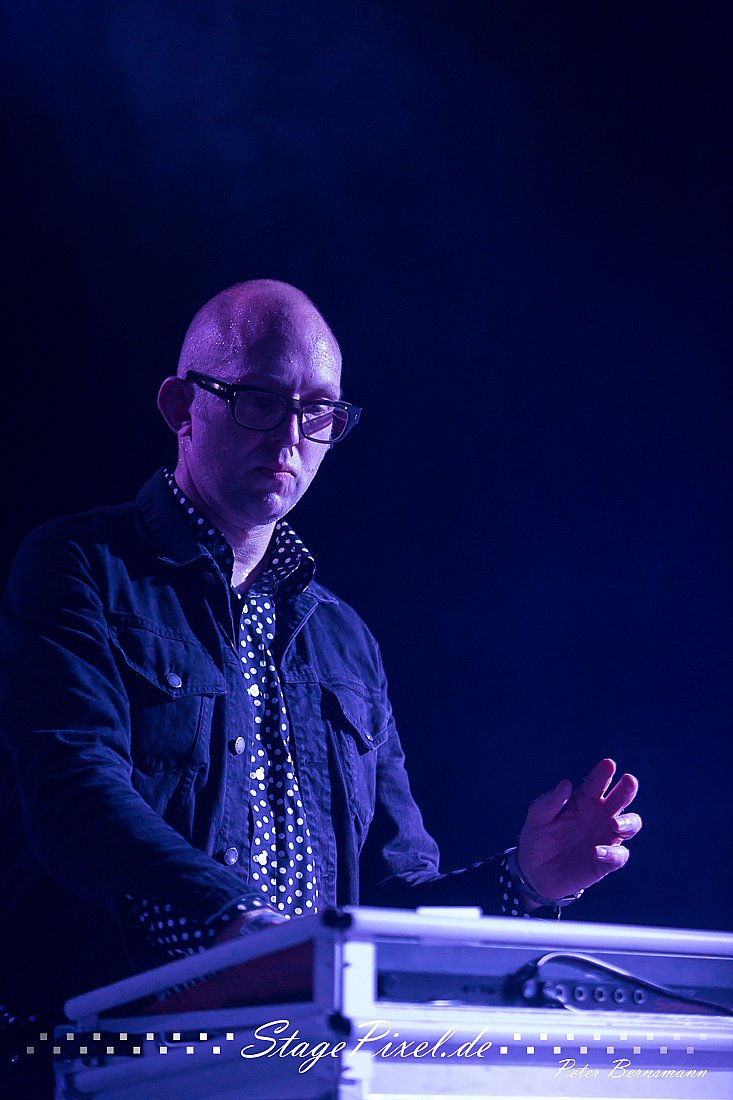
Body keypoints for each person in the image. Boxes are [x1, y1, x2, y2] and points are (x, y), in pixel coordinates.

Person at [0, 280, 641, 1089]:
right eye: (260, 401)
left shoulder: (344, 639)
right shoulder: (78, 566)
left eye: (318, 413)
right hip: (108, 1054)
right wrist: (234, 924)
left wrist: (527, 879)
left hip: (291, 1059)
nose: (290, 437)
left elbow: (390, 896)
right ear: (180, 406)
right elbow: (74, 793)